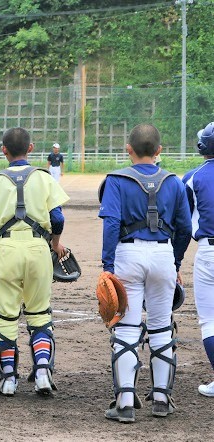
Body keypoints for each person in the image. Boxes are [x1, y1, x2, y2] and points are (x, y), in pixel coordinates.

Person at [98, 124, 191, 422]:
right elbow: (185, 229)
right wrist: (175, 264)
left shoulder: (116, 179)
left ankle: (124, 403)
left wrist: (107, 266)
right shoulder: (174, 181)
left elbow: (111, 223)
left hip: (128, 254)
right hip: (163, 253)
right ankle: (162, 400)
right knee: (163, 326)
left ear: (128, 149)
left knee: (126, 327)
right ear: (159, 151)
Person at [0, 127, 70, 397]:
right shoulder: (42, 177)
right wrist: (54, 243)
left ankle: (8, 379)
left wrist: (2, 242)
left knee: (6, 315)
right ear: (31, 149)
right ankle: (42, 372)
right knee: (40, 313)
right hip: (38, 248)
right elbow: (59, 219)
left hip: (6, 249)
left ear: (3, 150)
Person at [182, 123, 214, 398]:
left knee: (210, 321)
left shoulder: (193, 177)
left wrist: (175, 260)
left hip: (208, 253)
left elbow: (181, 222)